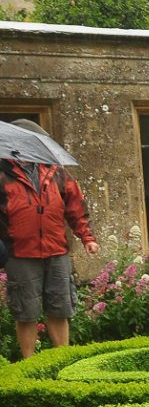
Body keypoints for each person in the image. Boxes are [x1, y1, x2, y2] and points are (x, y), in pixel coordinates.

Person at [1, 146, 98, 358]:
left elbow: (76, 207)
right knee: (26, 313)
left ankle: (62, 359)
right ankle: (30, 362)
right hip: (20, 254)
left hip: (57, 251)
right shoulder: (2, 173)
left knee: (60, 308)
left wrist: (87, 237)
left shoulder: (57, 171)